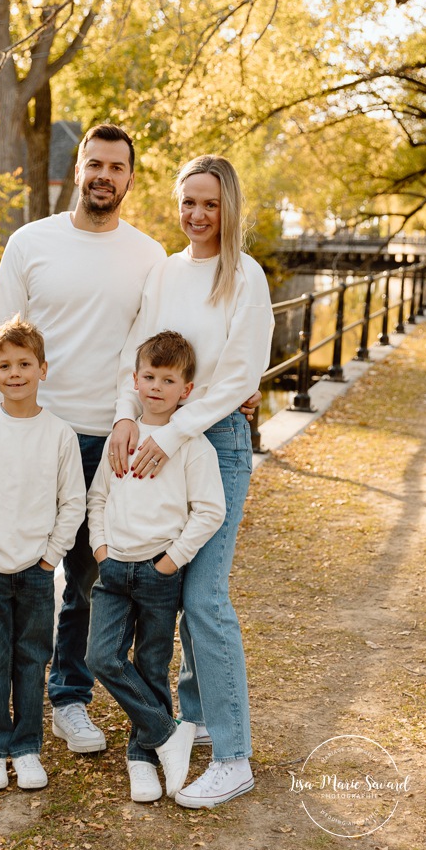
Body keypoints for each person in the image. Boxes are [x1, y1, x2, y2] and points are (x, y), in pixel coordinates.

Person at [0, 123, 166, 754]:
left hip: (104, 440)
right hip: (24, 431)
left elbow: (151, 349)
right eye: (94, 164)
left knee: (81, 581)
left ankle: (69, 698)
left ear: (130, 179)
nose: (104, 175)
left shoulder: (149, 256)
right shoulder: (31, 242)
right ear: (78, 169)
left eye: (117, 167)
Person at [109, 155, 274, 809]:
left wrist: (172, 433)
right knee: (176, 588)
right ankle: (198, 717)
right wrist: (127, 417)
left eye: (209, 203)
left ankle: (234, 757)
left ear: (227, 206)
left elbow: (238, 378)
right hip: (158, 442)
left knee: (204, 597)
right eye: (187, 203)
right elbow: (138, 352)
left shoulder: (246, 277)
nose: (197, 215)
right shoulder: (165, 272)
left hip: (214, 445)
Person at [0, 317, 86, 790]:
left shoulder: (60, 435)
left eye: (25, 363)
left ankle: (27, 747)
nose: (15, 373)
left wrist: (51, 557)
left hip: (38, 572)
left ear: (43, 369)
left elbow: (73, 503)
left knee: (31, 659)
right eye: (4, 365)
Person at [86, 331, 225, 804]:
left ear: (186, 390)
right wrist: (101, 549)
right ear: (135, 379)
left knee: (150, 663)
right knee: (101, 658)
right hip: (113, 571)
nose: (156, 387)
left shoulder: (191, 446)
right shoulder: (121, 437)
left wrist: (170, 562)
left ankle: (142, 759)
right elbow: (98, 497)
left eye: (168, 380)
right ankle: (169, 732)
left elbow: (210, 511)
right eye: (149, 376)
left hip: (157, 573)